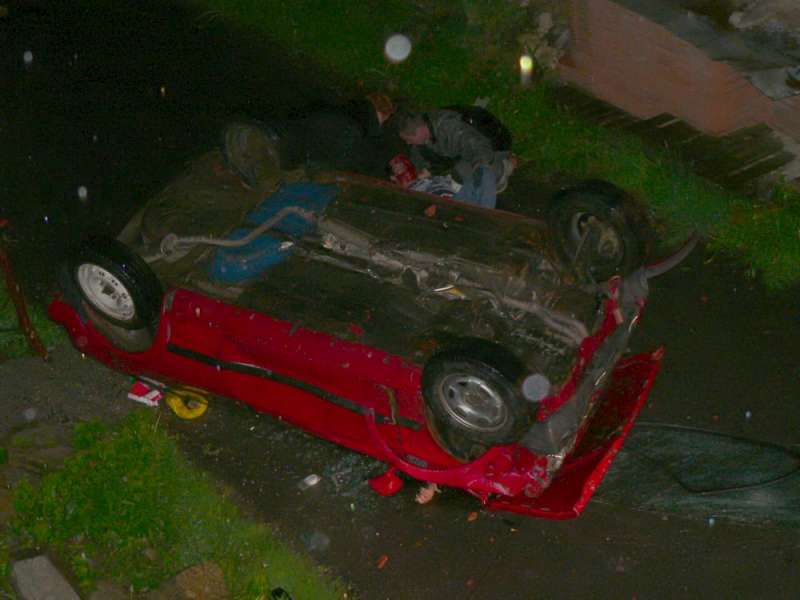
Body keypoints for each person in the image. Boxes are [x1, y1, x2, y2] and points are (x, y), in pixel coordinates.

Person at [396, 109, 515, 209]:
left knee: (466, 173)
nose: (408, 143)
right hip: (461, 157)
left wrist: (480, 169)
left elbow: (479, 147)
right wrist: (419, 176)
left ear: (419, 132)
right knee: (458, 177)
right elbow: (420, 163)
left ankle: (502, 169)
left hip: (491, 147)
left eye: (408, 139)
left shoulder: (449, 126)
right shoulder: (420, 141)